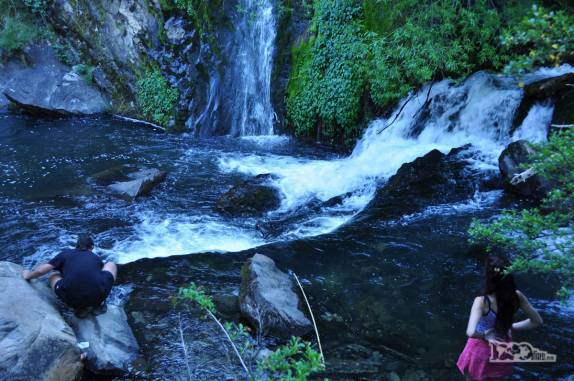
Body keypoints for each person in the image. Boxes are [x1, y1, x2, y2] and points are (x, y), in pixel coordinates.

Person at [457, 254, 543, 380]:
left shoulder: (482, 301)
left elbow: (470, 332)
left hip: (480, 350)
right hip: (502, 349)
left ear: (488, 276)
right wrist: (509, 327)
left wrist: (486, 335)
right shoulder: (517, 296)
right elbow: (537, 321)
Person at [22, 234, 117, 318]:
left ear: (76, 246)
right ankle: (97, 305)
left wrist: (27, 275)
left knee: (53, 275)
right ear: (92, 247)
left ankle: (80, 308)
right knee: (111, 264)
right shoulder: (95, 257)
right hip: (97, 298)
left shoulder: (66, 253)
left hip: (72, 301)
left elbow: (40, 271)